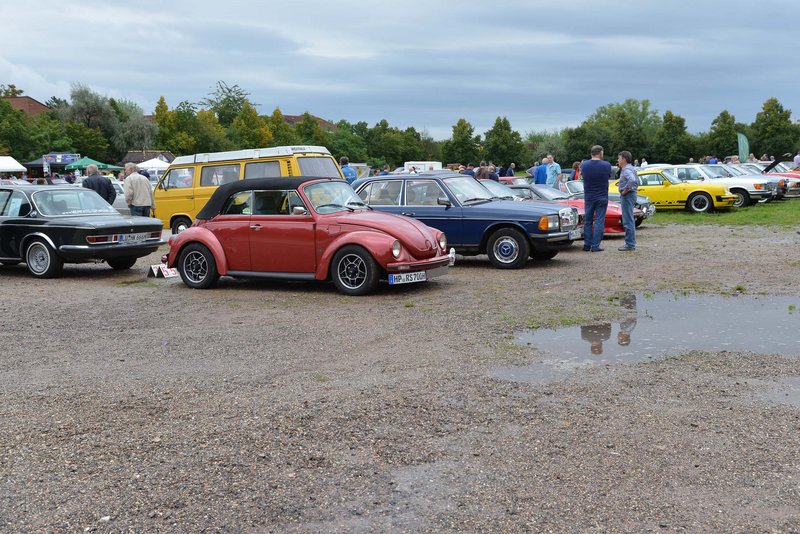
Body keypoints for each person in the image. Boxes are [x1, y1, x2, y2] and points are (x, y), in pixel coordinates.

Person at [580, 145, 611, 252]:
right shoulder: (606, 165)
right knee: (599, 221)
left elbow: (583, 177)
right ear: (600, 153)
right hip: (602, 196)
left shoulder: (584, 165)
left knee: (587, 221)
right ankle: (595, 245)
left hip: (589, 197)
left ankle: (587, 244)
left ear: (591, 153)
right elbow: (607, 177)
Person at [616, 151, 638, 251]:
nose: (618, 160)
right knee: (629, 219)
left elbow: (632, 180)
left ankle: (630, 244)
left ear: (624, 159)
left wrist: (625, 190)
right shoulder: (631, 168)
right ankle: (631, 242)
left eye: (619, 158)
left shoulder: (626, 170)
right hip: (630, 195)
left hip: (627, 196)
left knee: (628, 220)